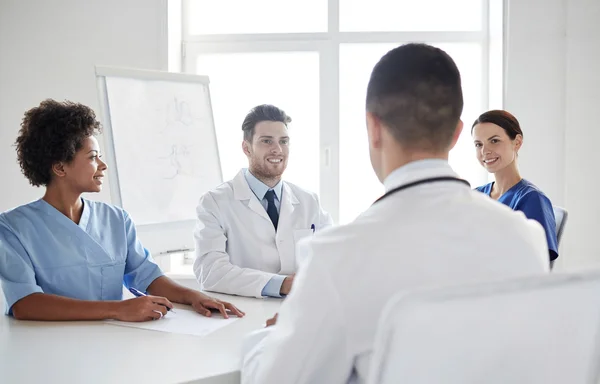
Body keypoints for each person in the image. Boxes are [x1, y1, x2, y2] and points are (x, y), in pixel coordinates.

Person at [240, 43, 549, 383]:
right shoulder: (525, 237)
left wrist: (277, 334)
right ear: (458, 134)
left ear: (373, 128)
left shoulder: (337, 256)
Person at [0, 99, 244, 321]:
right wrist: (117, 309)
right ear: (60, 168)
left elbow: (147, 276)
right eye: (93, 157)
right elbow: (25, 303)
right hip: (46, 347)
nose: (102, 165)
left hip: (115, 344)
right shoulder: (13, 227)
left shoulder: (115, 219)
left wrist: (193, 296)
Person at [194, 104, 333, 298]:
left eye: (283, 141)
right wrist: (280, 284)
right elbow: (210, 271)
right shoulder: (215, 202)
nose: (277, 149)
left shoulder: (308, 201)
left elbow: (332, 253)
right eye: (267, 141)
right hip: (244, 313)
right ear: (246, 148)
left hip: (299, 309)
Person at [472, 110, 558, 263]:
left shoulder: (532, 199)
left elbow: (539, 263)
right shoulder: (476, 195)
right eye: (479, 144)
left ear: (517, 142)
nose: (485, 151)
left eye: (494, 141)